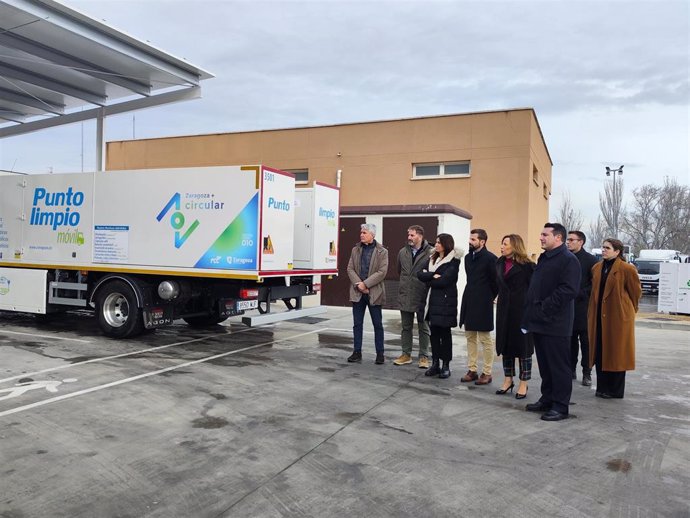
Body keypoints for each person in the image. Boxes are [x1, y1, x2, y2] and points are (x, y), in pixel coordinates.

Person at [522, 223, 581, 422]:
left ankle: (560, 406)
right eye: (541, 234)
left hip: (556, 323)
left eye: (545, 234)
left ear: (558, 238)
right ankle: (547, 399)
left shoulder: (568, 260)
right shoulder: (544, 258)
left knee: (558, 366)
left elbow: (568, 290)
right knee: (546, 366)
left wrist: (545, 307)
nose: (541, 237)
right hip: (539, 321)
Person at [587, 238, 641, 399]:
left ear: (617, 252)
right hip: (599, 316)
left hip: (618, 316)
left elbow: (635, 292)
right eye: (603, 247)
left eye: (607, 248)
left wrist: (628, 310)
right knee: (600, 351)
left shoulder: (626, 269)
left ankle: (615, 390)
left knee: (617, 353)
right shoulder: (596, 268)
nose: (603, 250)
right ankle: (602, 387)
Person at [494, 234, 535, 399]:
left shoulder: (528, 266)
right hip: (504, 310)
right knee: (506, 346)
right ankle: (507, 380)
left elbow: (534, 289)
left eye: (505, 244)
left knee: (523, 348)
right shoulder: (499, 263)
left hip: (522, 311)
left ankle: (523, 383)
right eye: (502, 243)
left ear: (515, 246)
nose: (502, 247)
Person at [417, 233, 461, 379]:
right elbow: (420, 275)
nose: (435, 245)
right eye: (435, 242)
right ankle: (435, 364)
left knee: (445, 335)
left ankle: (446, 365)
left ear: (446, 244)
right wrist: (432, 275)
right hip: (431, 303)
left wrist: (429, 276)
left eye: (438, 243)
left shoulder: (453, 261)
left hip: (445, 304)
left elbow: (444, 281)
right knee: (434, 335)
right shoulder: (432, 258)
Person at [459, 228, 498, 385]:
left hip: (483, 302)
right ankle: (472, 370)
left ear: (482, 242)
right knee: (470, 336)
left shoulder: (491, 259)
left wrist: (489, 297)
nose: (470, 241)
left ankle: (487, 373)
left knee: (485, 338)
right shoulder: (468, 258)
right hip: (469, 299)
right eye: (470, 238)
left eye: (474, 239)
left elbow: (496, 282)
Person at [346, 223, 389, 364]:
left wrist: (366, 284)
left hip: (374, 292)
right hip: (358, 292)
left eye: (364, 232)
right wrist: (359, 285)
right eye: (361, 232)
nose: (361, 234)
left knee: (378, 324)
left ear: (372, 235)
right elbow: (350, 269)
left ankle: (380, 354)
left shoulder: (382, 251)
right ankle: (357, 352)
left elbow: (382, 272)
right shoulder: (355, 250)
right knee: (357, 324)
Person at [394, 225, 433, 368]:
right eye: (408, 235)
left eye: (412, 235)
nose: (409, 238)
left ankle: (424, 356)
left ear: (420, 236)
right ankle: (406, 354)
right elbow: (399, 271)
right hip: (405, 294)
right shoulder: (402, 252)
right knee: (406, 327)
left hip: (422, 295)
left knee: (424, 327)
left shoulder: (430, 252)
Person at [566, 230, 598, 386]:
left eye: (572, 240)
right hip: (567, 308)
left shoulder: (591, 260)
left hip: (584, 308)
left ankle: (587, 372)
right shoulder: (565, 258)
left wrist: (581, 293)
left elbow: (595, 284)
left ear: (581, 242)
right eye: (568, 239)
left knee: (586, 343)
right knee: (569, 342)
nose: (568, 242)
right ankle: (570, 370)